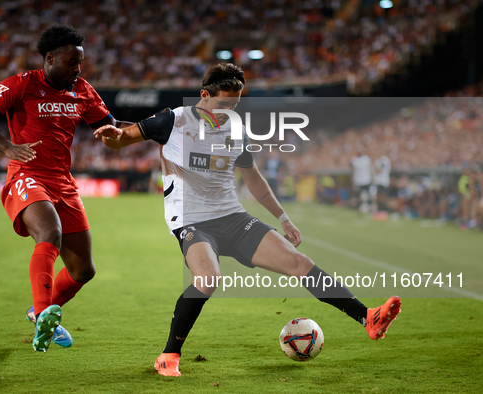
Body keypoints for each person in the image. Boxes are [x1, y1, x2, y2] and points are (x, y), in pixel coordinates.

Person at [94, 63, 402, 377]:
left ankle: (368, 318)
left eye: (236, 105)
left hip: (233, 217)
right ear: (204, 95)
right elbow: (123, 137)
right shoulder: (174, 119)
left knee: (298, 262)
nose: (230, 110)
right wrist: (112, 136)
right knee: (208, 278)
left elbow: (253, 179)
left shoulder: (235, 128)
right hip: (191, 220)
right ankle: (169, 355)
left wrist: (283, 218)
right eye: (225, 104)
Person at [0, 24, 133, 352]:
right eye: (72, 62)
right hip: (26, 175)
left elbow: (111, 131)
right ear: (51, 58)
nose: (78, 69)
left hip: (64, 182)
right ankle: (44, 313)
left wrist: (160, 129)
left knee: (83, 270)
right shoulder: (21, 85)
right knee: (49, 233)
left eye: (80, 63)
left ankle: (36, 312)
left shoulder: (83, 90)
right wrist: (7, 148)